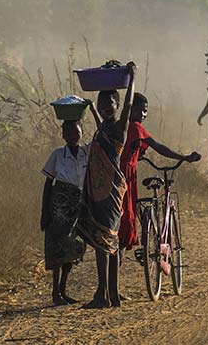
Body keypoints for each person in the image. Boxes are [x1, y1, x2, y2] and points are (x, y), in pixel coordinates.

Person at [119, 93, 200, 298]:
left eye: (146, 110)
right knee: (124, 225)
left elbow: (140, 149)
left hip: (124, 176)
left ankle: (114, 285)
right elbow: (158, 147)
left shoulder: (123, 127)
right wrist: (184, 157)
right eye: (140, 108)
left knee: (122, 224)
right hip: (126, 177)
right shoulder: (135, 128)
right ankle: (113, 287)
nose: (144, 113)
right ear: (131, 109)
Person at [75, 61, 136, 308]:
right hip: (100, 190)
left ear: (117, 106)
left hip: (109, 191)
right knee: (107, 242)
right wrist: (90, 109)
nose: (103, 107)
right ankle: (111, 293)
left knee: (104, 242)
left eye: (108, 104)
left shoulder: (120, 127)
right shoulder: (105, 128)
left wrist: (132, 80)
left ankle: (105, 295)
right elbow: (101, 129)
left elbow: (129, 105)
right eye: (101, 104)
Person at [40, 119, 88, 306]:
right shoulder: (58, 155)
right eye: (68, 133)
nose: (72, 136)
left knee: (74, 248)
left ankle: (63, 290)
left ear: (81, 132)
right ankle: (55, 292)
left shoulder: (86, 153)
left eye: (75, 132)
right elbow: (47, 184)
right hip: (59, 205)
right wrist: (44, 212)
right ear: (63, 136)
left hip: (79, 205)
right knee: (57, 248)